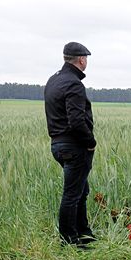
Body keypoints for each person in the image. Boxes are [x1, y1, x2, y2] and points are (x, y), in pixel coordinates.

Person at [44, 41, 96, 247]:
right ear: (82, 60)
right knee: (73, 194)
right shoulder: (74, 84)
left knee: (81, 190)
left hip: (57, 144)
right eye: (86, 60)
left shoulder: (53, 80)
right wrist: (90, 142)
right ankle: (69, 240)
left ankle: (84, 233)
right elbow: (76, 120)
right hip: (74, 146)